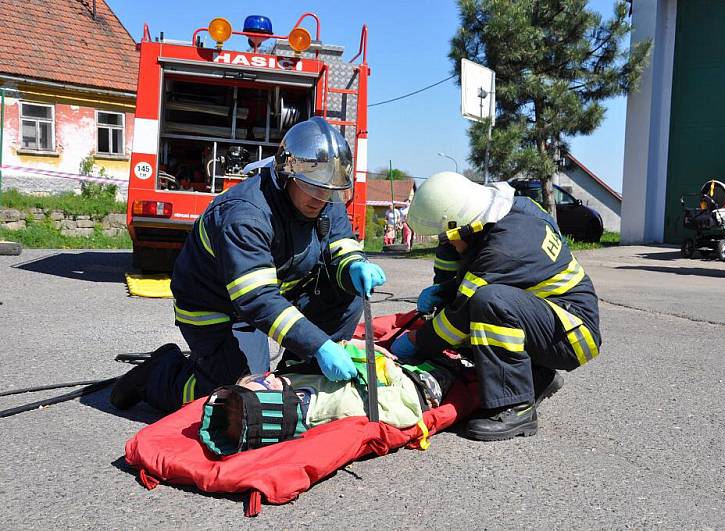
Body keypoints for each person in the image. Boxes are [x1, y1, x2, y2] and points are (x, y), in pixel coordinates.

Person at [111, 117, 386, 413]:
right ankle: (160, 375)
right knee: (235, 399)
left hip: (273, 297)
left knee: (347, 294)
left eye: (329, 190)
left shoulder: (324, 196)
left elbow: (340, 243)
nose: (322, 198)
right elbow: (257, 299)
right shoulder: (246, 215)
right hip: (217, 309)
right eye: (313, 188)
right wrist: (319, 345)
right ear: (286, 174)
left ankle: (298, 375)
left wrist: (354, 264)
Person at [390, 172, 601, 442]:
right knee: (484, 306)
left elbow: (457, 319)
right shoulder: (512, 209)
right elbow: (470, 277)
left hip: (572, 333)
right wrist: (444, 290)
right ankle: (537, 376)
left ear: (466, 226)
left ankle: (515, 408)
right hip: (551, 321)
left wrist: (417, 341)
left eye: (450, 238)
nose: (449, 245)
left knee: (487, 305)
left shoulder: (503, 248)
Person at [197, 339, 462, 455]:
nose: (266, 377)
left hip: (389, 369)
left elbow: (326, 359)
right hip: (415, 387)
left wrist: (347, 347)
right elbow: (405, 412)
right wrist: (388, 370)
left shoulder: (292, 386)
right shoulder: (335, 408)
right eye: (264, 385)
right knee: (451, 364)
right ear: (272, 408)